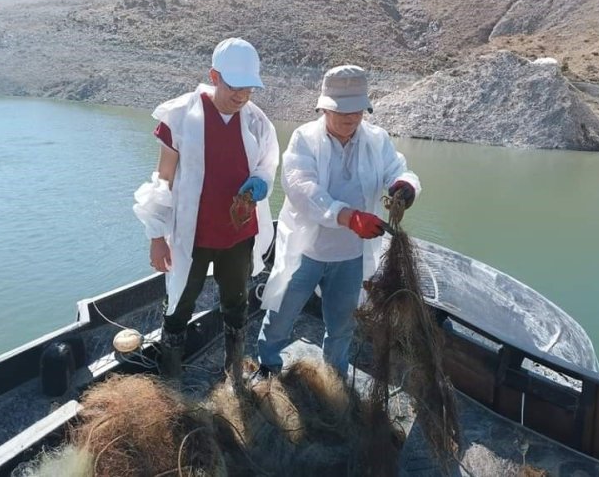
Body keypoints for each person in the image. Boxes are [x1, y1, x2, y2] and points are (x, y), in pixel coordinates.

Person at [256, 64, 420, 378]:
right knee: (281, 314)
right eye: (344, 112)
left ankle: (335, 377)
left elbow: (398, 169)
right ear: (324, 108)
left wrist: (405, 186)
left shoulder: (376, 139)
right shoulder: (304, 139)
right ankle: (268, 364)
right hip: (308, 250)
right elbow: (301, 188)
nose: (352, 118)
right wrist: (346, 216)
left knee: (342, 324)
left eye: (358, 111)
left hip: (351, 255)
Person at [133, 38, 280, 382]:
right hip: (192, 236)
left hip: (238, 235)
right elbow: (164, 179)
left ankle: (235, 373)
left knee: (236, 303)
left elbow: (267, 165)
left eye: (249, 89)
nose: (242, 96)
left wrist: (259, 182)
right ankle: (171, 377)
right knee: (179, 303)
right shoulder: (181, 116)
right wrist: (156, 236)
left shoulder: (257, 122)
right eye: (234, 87)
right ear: (215, 76)